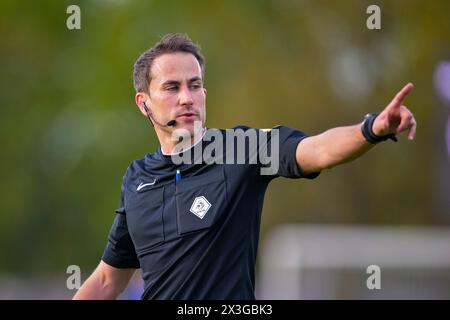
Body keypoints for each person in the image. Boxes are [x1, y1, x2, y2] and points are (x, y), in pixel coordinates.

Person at [73, 33, 417, 300]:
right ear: (143, 103)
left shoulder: (241, 150)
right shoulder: (137, 178)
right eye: (171, 87)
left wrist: (372, 129)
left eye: (194, 86)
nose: (186, 98)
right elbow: (107, 280)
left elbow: (317, 150)